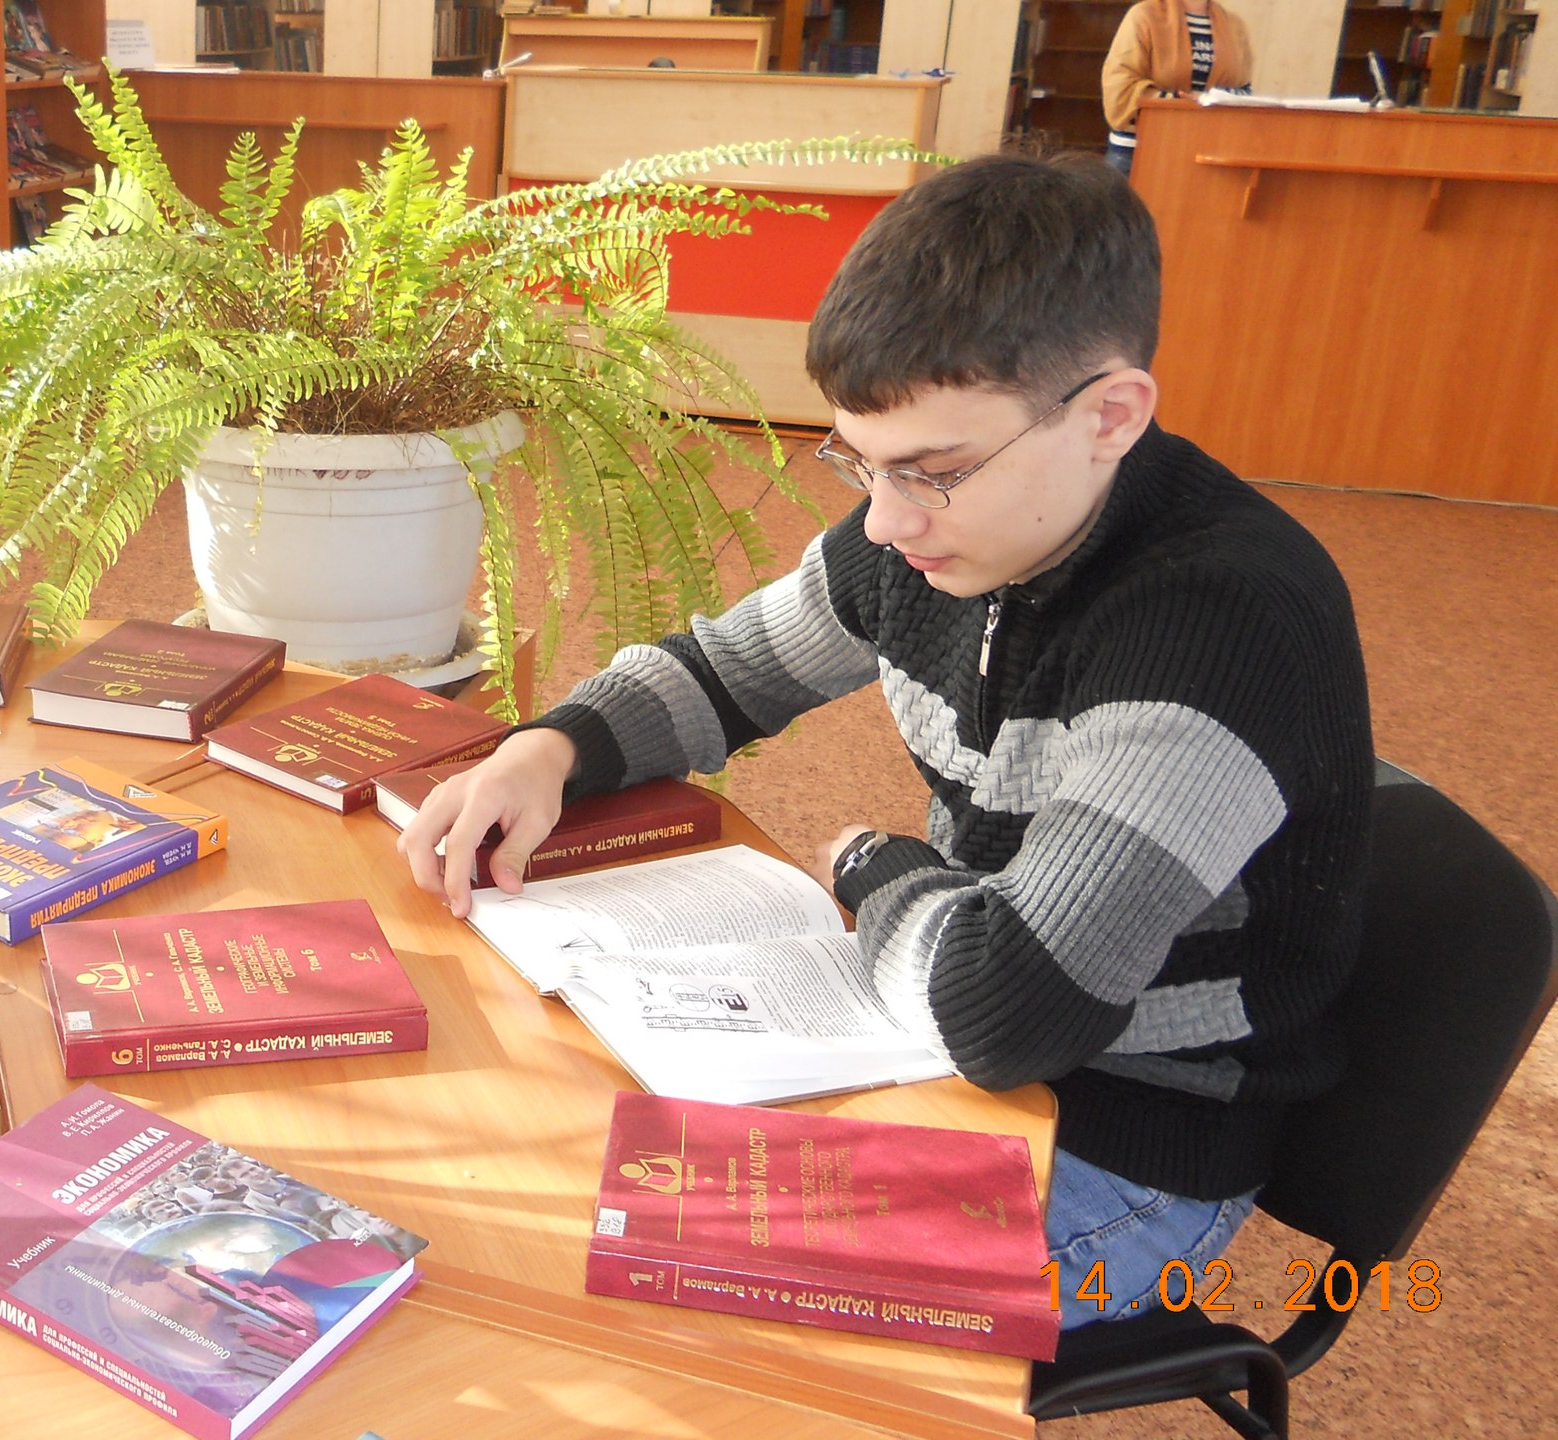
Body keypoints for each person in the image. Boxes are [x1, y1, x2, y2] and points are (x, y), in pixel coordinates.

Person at [397, 155, 1372, 1329]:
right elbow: (722, 670)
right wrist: (545, 751)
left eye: (933, 472)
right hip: (942, 1037)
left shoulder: (1216, 629)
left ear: (1110, 416)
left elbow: (1008, 1012)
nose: (884, 518)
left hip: (1122, 1146)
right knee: (555, 1168)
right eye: (858, 461)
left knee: (642, 1305)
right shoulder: (933, 536)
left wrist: (872, 867)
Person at [1103, 0, 1254, 174]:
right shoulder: (1143, 15)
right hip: (1138, 151)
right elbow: (1121, 88)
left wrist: (1212, 99)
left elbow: (1244, 92)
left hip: (1204, 151)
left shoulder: (1234, 25)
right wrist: (1184, 104)